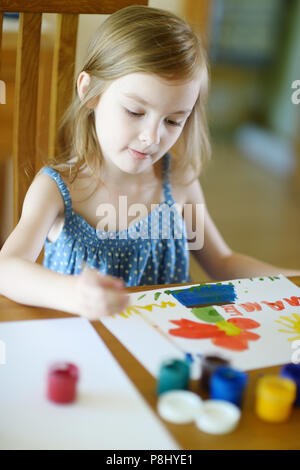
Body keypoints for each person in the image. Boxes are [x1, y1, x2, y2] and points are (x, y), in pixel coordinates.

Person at [0, 6, 299, 320]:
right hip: (85, 346)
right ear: (90, 92)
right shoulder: (58, 189)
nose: (151, 137)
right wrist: (74, 294)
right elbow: (7, 269)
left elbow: (223, 263)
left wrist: (294, 281)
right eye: (135, 112)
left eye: (172, 120)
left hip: (165, 349)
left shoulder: (179, 184)